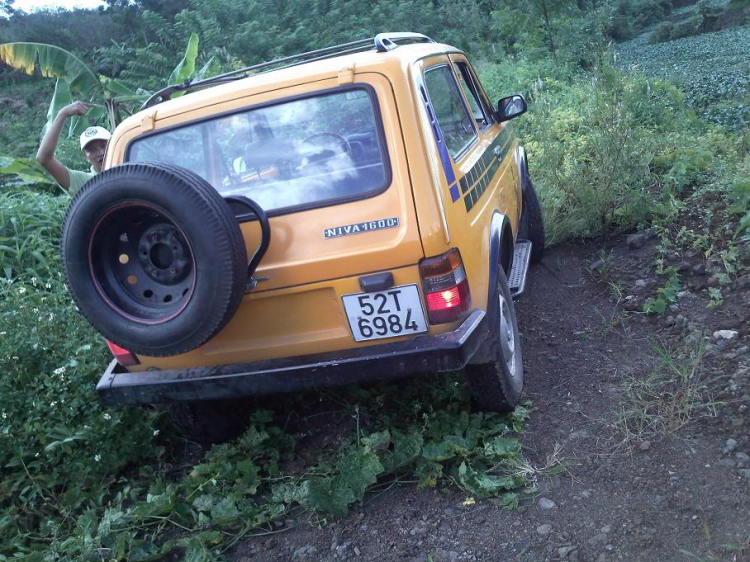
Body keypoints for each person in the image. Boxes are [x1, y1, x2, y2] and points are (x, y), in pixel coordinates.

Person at [36, 101, 111, 194]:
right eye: (91, 150)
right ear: (85, 157)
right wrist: (62, 114)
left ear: (115, 144)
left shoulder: (131, 166)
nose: (100, 152)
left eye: (103, 146)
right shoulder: (84, 182)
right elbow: (44, 159)